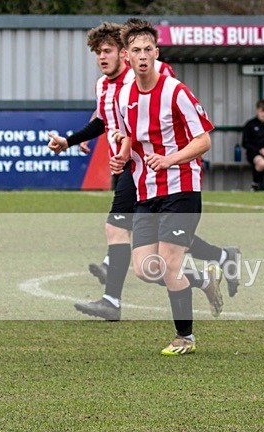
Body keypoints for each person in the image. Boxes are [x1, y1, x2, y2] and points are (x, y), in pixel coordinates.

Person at [47, 22, 238, 322]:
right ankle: (216, 262)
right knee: (154, 248)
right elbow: (106, 120)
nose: (102, 57)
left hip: (154, 169)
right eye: (98, 53)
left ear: (124, 54)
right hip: (132, 167)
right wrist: (74, 141)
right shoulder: (104, 87)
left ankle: (113, 298)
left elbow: (168, 111)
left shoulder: (151, 78)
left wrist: (165, 157)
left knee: (123, 230)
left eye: (107, 51)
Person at [110, 18, 224, 355]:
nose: (143, 56)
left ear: (156, 53)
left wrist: (170, 159)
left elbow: (203, 140)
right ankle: (202, 280)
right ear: (126, 56)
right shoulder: (123, 95)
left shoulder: (176, 91)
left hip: (181, 188)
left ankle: (185, 337)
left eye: (148, 49)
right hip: (146, 190)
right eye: (136, 50)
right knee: (145, 269)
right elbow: (130, 137)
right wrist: (122, 155)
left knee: (171, 264)